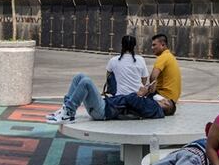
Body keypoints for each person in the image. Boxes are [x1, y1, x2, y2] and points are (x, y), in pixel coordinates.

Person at [48, 33, 178, 123]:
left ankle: (69, 113)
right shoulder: (141, 62)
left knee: (86, 82)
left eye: (167, 102)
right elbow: (141, 86)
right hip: (106, 104)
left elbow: (129, 98)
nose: (164, 100)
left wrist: (141, 93)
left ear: (166, 108)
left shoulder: (154, 109)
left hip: (104, 111)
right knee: (79, 77)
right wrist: (144, 91)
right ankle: (66, 108)